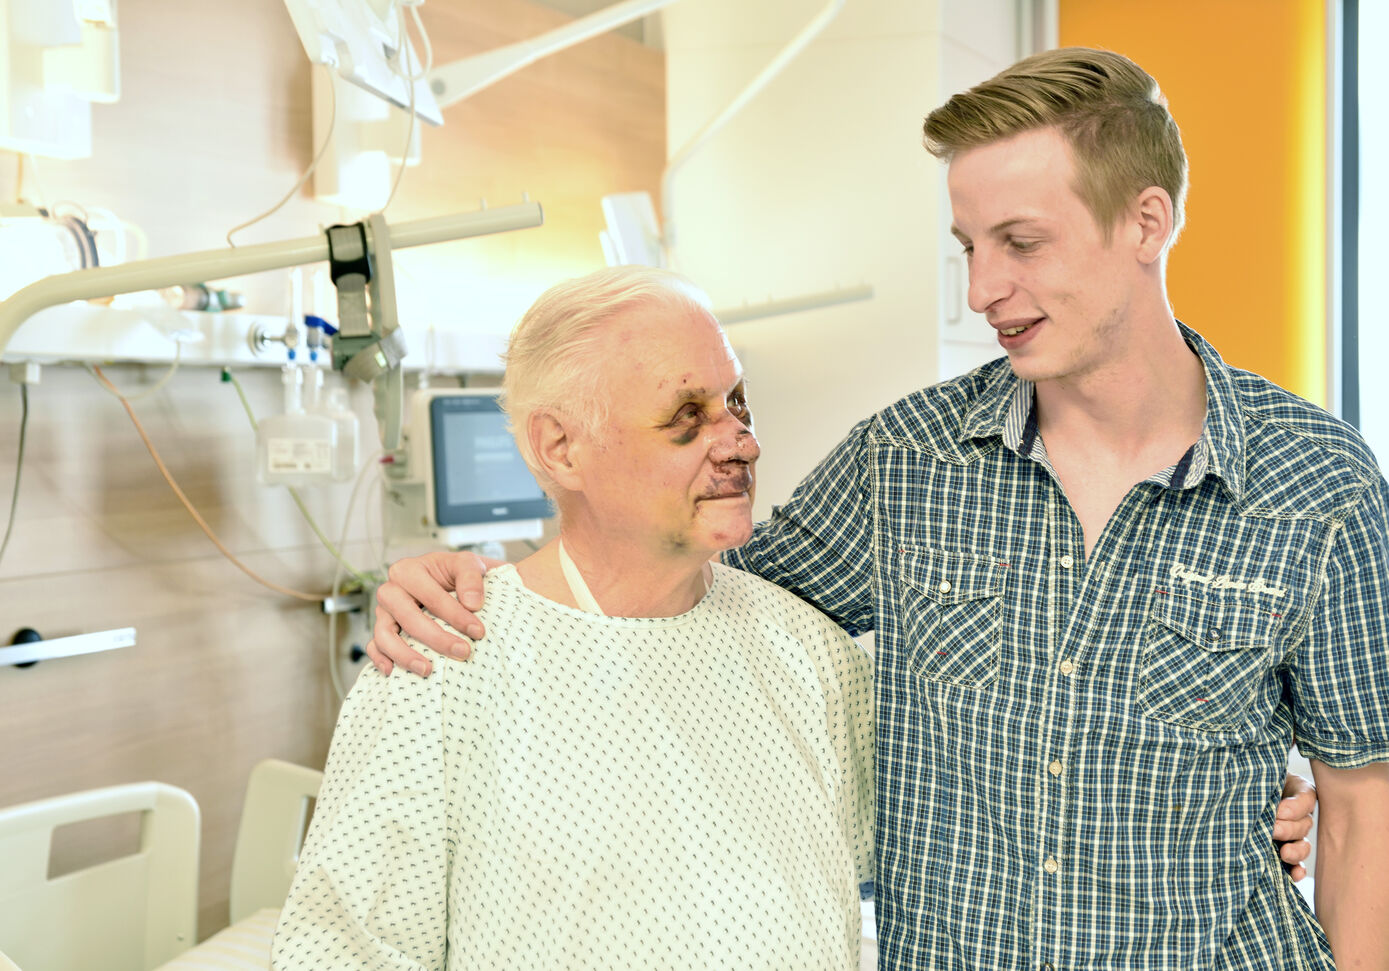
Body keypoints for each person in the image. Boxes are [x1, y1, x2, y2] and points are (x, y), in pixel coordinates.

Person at [367, 48, 1378, 968]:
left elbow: (1361, 811)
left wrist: (1264, 787)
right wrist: (462, 580)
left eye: (1021, 241)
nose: (984, 287)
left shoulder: (1319, 488)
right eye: (969, 243)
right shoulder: (903, 463)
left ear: (1147, 222)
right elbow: (677, 589)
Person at [272, 267, 875, 970]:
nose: (740, 441)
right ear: (560, 448)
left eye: (736, 402)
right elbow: (346, 951)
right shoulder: (440, 662)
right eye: (686, 415)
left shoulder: (809, 650)